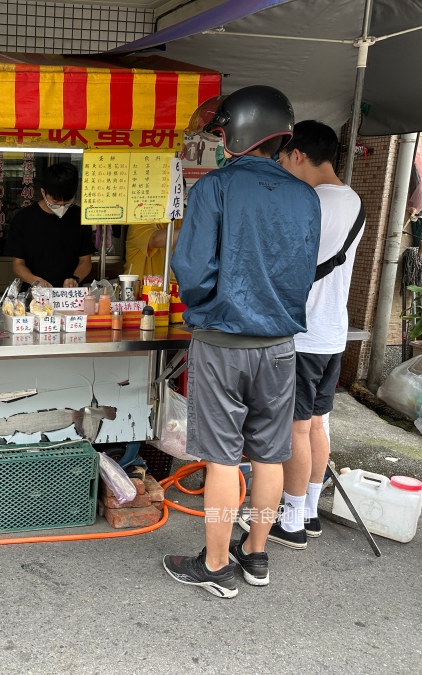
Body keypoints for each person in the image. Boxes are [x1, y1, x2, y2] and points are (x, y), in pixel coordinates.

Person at [163, 86, 321, 598]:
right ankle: (255, 555)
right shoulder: (305, 195)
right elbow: (303, 273)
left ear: (239, 132)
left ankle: (215, 566)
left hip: (223, 343)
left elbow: (191, 270)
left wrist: (206, 306)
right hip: (280, 345)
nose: (220, 138)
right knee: (269, 455)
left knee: (223, 459)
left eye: (223, 130)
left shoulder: (216, 188)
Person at [240, 121, 364, 548]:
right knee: (315, 426)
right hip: (333, 333)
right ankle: (308, 511)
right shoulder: (354, 201)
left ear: (296, 155)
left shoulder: (310, 202)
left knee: (293, 429)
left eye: (282, 157)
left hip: (302, 333)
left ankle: (288, 522)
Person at [4, 162, 94, 288]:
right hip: (34, 294)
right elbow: (18, 264)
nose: (62, 206)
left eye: (67, 201)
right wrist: (35, 281)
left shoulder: (80, 217)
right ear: (43, 192)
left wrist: (74, 279)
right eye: (56, 201)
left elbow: (85, 261)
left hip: (69, 296)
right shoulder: (23, 219)